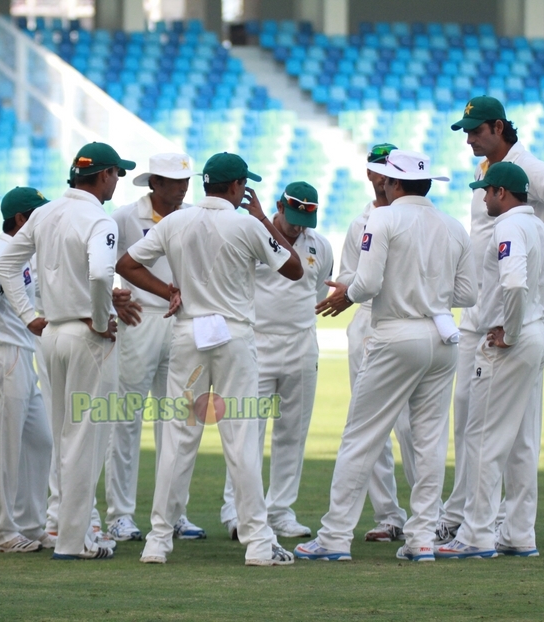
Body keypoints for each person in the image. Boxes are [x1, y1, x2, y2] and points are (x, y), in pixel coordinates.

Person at [119, 152, 304, 566]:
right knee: (240, 437)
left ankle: (158, 540)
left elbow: (127, 264)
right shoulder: (244, 223)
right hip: (234, 335)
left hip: (188, 331)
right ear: (238, 187)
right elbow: (294, 269)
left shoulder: (175, 222)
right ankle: (257, 543)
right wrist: (259, 218)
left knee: (179, 439)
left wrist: (169, 290)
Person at [295, 149, 476, 563]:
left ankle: (335, 537)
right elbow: (468, 294)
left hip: (395, 332)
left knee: (361, 436)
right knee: (429, 441)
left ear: (394, 183)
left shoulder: (383, 218)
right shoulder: (451, 227)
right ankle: (423, 539)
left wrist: (348, 294)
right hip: (442, 335)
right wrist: (431, 294)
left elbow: (368, 282)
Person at [438, 96, 544, 544]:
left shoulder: (532, 171)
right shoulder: (485, 171)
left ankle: (482, 524)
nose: (468, 139)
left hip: (503, 319)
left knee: (492, 427)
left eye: (473, 131)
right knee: (480, 421)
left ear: (497, 126)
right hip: (482, 313)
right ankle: (491, 521)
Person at [0, 142, 135, 560]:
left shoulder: (44, 212)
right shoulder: (99, 219)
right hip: (84, 336)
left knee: (63, 437)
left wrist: (26, 315)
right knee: (84, 439)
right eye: (115, 175)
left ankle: (62, 526)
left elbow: (7, 265)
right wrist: (97, 319)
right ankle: (75, 540)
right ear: (105, 175)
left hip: (51, 333)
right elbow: (99, 273)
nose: (115, 183)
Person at [436, 163, 544, 558]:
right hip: (533, 337)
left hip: (509, 341)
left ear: (501, 193)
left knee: (482, 437)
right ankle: (517, 533)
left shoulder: (508, 227)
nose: (482, 198)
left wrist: (511, 331)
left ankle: (476, 534)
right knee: (523, 442)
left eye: (486, 191)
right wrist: (543, 326)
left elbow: (513, 282)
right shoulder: (541, 230)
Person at [220, 180, 333, 540]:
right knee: (246, 431)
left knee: (292, 433)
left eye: (305, 220)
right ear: (279, 207)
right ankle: (237, 511)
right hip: (258, 342)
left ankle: (281, 510)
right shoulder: (254, 235)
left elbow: (314, 290)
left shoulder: (320, 245)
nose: (298, 227)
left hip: (301, 344)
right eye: (293, 217)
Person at [105, 152, 207, 543]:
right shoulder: (125, 218)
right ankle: (119, 515)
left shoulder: (194, 215)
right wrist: (113, 298)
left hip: (182, 322)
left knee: (178, 420)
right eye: (172, 181)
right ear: (154, 184)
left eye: (185, 181)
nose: (182, 188)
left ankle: (174, 512)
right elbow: (109, 266)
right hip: (141, 319)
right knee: (126, 418)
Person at [0, 187, 54, 554]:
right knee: (0, 448)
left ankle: (31, 524)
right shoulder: (2, 258)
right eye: (38, 215)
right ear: (21, 220)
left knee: (39, 441)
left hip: (17, 356)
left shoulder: (19, 255)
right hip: (1, 356)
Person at [336, 143, 417, 544]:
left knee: (412, 424)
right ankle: (389, 515)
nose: (386, 175)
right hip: (368, 320)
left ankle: (426, 515)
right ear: (372, 174)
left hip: (405, 319)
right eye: (380, 168)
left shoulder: (415, 217)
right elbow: (351, 277)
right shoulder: (360, 223)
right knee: (371, 425)